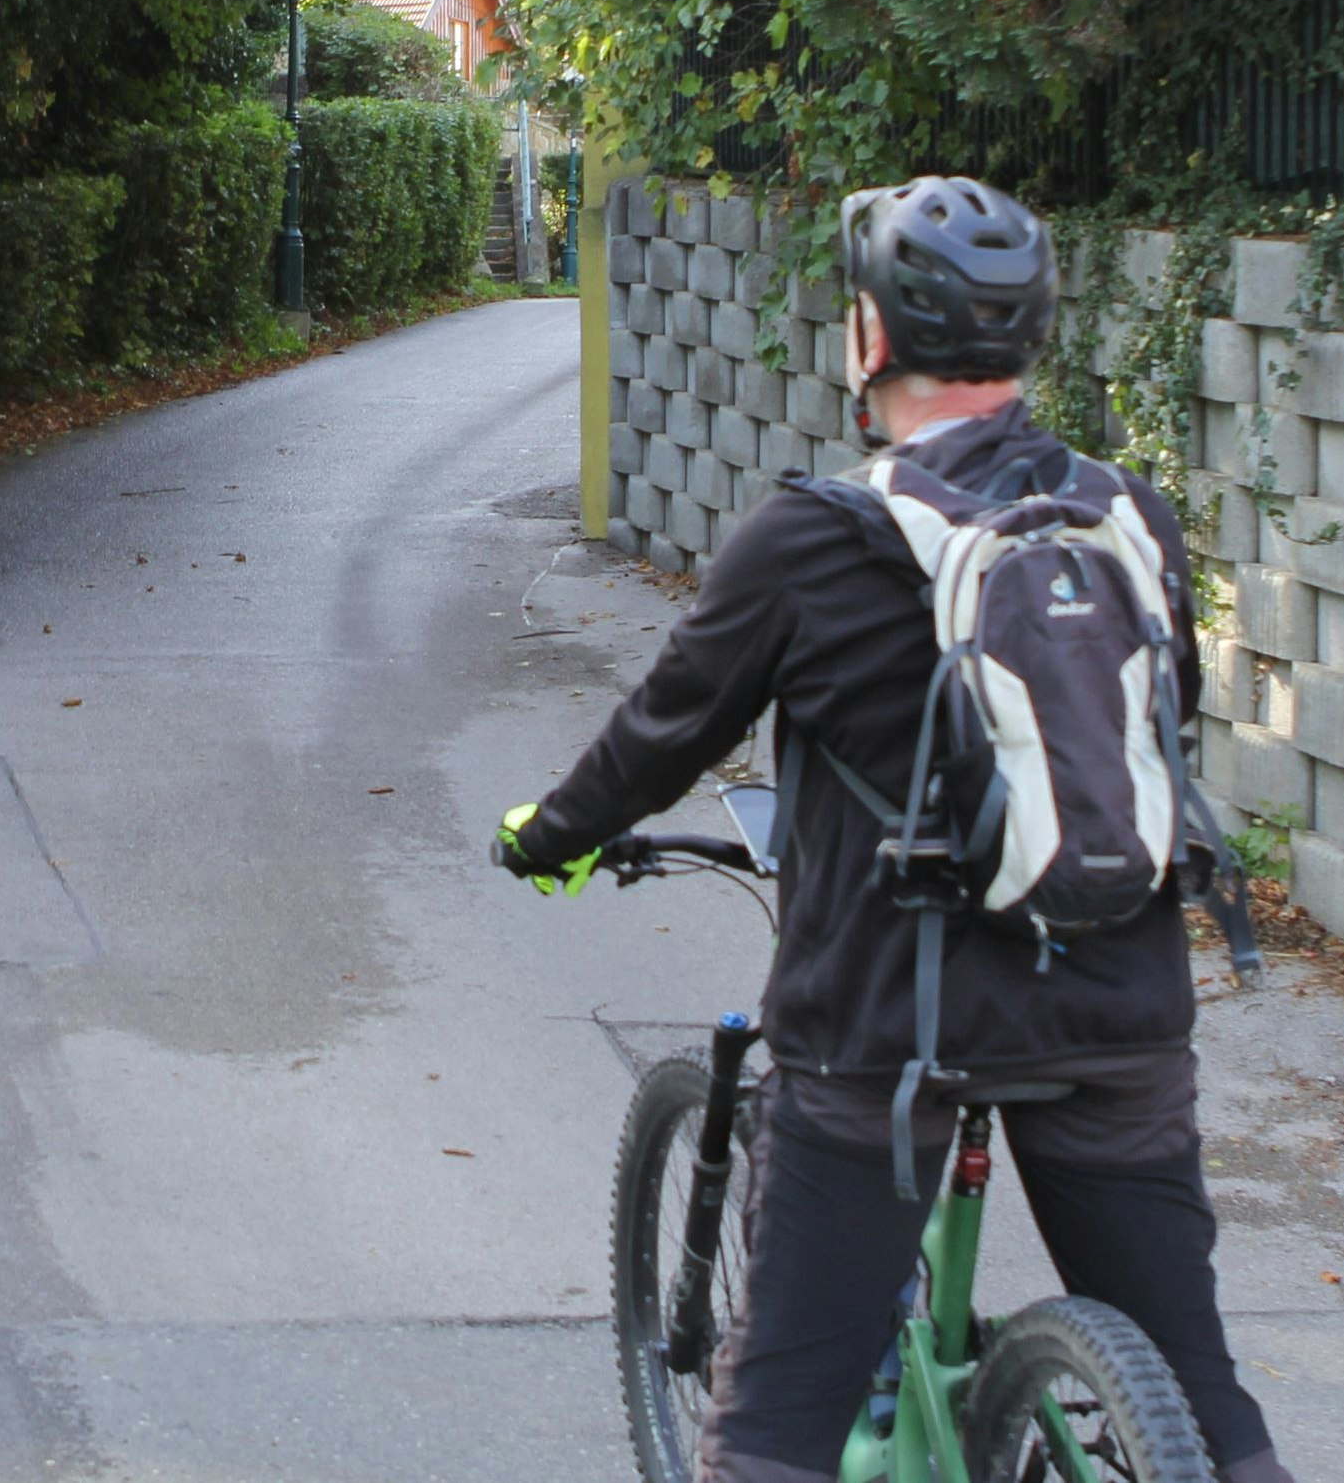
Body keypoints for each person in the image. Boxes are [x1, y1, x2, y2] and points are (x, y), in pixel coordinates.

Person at [496, 176, 1295, 1483]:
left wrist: (550, 835)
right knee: (1206, 1409)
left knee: (774, 1433)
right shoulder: (1128, 518)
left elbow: (663, 735)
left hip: (886, 1035)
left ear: (869, 335)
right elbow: (1161, 725)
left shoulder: (812, 539)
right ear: (1032, 334)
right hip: (1120, 1008)